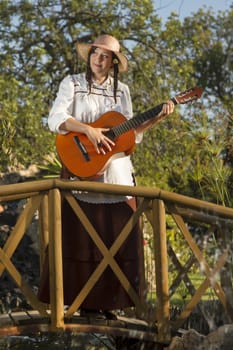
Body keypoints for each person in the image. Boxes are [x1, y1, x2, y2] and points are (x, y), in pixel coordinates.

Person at [38, 34, 174, 319]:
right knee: (82, 237)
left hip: (116, 174)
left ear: (113, 62)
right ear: (89, 56)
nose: (99, 60)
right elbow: (55, 118)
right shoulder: (72, 83)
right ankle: (79, 305)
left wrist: (156, 119)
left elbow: (129, 135)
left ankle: (111, 304)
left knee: (117, 237)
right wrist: (88, 130)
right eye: (95, 54)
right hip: (82, 168)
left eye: (105, 56)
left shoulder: (121, 91)